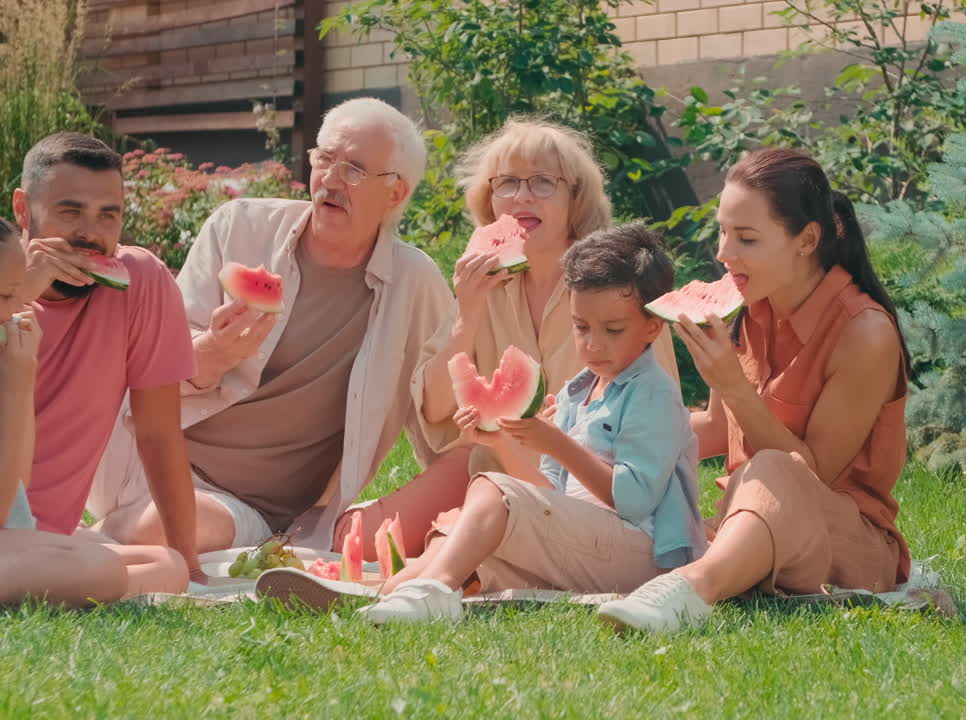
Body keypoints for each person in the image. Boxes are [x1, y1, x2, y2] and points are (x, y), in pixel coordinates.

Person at [256, 224, 706, 622]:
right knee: (463, 529)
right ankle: (378, 594)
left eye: (612, 330)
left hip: (642, 559)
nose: (592, 344)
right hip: (587, 545)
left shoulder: (654, 392)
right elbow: (548, 494)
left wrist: (556, 443)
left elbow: (634, 500)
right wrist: (505, 444)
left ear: (653, 326)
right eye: (580, 327)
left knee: (493, 493)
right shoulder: (580, 390)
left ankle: (431, 593)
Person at [87, 97, 456, 553]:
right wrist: (213, 353)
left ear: (396, 193)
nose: (330, 180)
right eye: (325, 159)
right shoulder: (238, 227)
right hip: (139, 451)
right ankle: (51, 540)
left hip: (239, 505)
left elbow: (442, 413)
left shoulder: (414, 283)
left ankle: (61, 550)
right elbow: (151, 368)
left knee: (161, 527)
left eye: (355, 169)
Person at [597, 148, 913, 633]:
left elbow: (811, 476)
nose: (724, 253)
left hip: (847, 545)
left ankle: (690, 589)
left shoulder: (865, 333)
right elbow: (717, 428)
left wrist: (734, 386)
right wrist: (601, 435)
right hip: (742, 527)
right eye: (723, 232)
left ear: (807, 240)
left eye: (745, 238)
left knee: (775, 468)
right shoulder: (753, 309)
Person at [343, 118, 681, 557]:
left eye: (543, 182)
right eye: (506, 183)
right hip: (486, 465)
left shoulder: (617, 290)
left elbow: (661, 414)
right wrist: (468, 314)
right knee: (357, 543)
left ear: (575, 199)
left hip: (592, 487)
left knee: (450, 554)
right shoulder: (484, 284)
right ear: (489, 199)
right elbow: (435, 407)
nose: (522, 195)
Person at [9, 133, 202, 582]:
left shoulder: (142, 283)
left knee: (167, 567)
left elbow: (158, 434)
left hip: (43, 542)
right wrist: (19, 298)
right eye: (70, 211)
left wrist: (189, 561)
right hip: (18, 539)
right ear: (23, 209)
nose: (91, 234)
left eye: (107, 216)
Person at [0, 217, 185, 606]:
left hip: (13, 540)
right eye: (7, 297)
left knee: (168, 564)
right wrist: (17, 384)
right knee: (100, 570)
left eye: (21, 293)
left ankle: (78, 580)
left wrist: (20, 381)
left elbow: (17, 482)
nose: (21, 309)